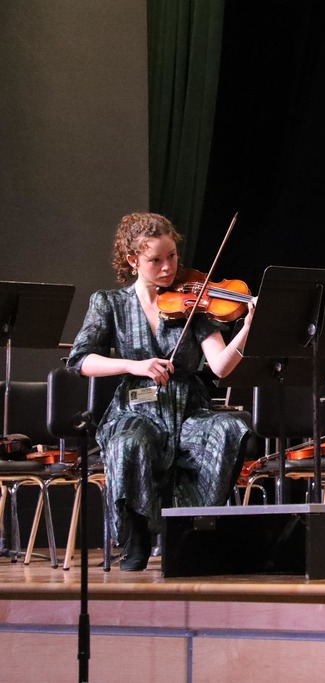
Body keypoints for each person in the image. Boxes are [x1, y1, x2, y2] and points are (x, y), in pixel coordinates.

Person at [66, 212, 255, 571]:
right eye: (156, 260)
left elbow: (219, 366)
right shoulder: (110, 303)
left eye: (172, 257)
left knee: (229, 427)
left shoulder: (193, 303)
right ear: (133, 260)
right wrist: (132, 365)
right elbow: (81, 360)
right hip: (135, 407)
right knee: (130, 442)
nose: (168, 267)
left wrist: (246, 327)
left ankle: (193, 529)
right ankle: (136, 537)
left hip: (188, 408)